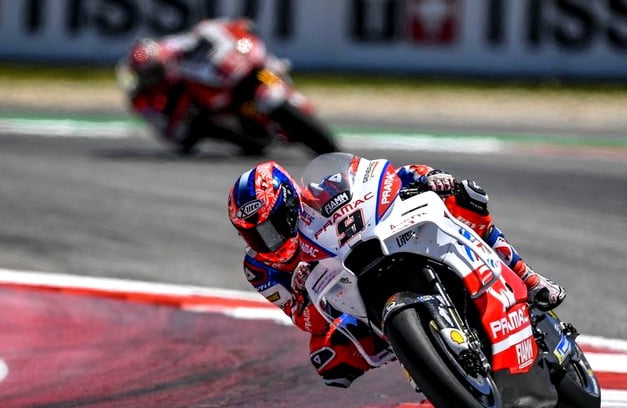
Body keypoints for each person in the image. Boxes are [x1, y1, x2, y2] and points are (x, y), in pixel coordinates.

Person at [227, 155, 566, 388]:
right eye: (253, 235)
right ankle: (420, 359)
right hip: (344, 300)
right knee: (328, 359)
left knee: (462, 198)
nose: (265, 241)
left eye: (270, 228)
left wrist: (426, 177)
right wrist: (302, 294)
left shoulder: (323, 190)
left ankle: (527, 276)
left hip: (378, 244)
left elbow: (385, 177)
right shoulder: (259, 269)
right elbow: (303, 320)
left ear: (289, 203)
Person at [116, 18, 289, 154]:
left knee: (249, 63)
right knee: (186, 134)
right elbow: (166, 130)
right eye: (145, 74)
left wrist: (234, 26)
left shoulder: (171, 46)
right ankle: (239, 135)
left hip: (207, 79)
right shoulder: (140, 94)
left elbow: (206, 31)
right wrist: (177, 122)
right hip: (191, 112)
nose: (150, 77)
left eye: (153, 71)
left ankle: (275, 75)